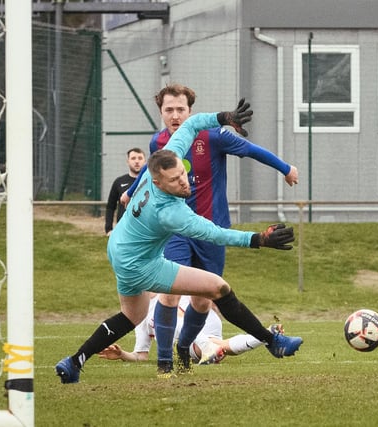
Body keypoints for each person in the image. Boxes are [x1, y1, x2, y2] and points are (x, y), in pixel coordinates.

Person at [55, 102, 303, 384]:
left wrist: (223, 117)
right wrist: (258, 239)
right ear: (158, 183)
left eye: (182, 174)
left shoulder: (163, 161)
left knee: (132, 315)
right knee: (217, 287)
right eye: (175, 181)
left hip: (121, 249)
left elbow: (192, 124)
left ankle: (74, 362)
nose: (184, 184)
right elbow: (215, 233)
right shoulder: (170, 212)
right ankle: (272, 341)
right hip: (139, 264)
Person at [122, 83, 299, 376]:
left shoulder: (214, 137)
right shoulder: (159, 143)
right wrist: (133, 191)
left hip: (211, 229)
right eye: (169, 110)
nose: (175, 115)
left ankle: (183, 350)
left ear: (190, 111)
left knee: (204, 300)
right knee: (169, 295)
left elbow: (251, 150)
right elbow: (151, 169)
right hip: (176, 231)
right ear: (161, 113)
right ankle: (164, 362)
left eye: (181, 109)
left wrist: (285, 168)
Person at [97, 294, 282, 365]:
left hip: (197, 320)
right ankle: (266, 335)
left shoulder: (163, 292)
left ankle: (206, 346)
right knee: (222, 348)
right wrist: (123, 355)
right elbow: (141, 355)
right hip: (204, 326)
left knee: (162, 316)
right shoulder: (140, 315)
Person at [104, 147, 146, 235]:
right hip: (123, 230)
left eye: (140, 158)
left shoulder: (150, 181)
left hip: (144, 229)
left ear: (145, 161)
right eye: (133, 158)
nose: (137, 161)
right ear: (127, 161)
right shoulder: (119, 182)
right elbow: (110, 207)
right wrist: (108, 229)